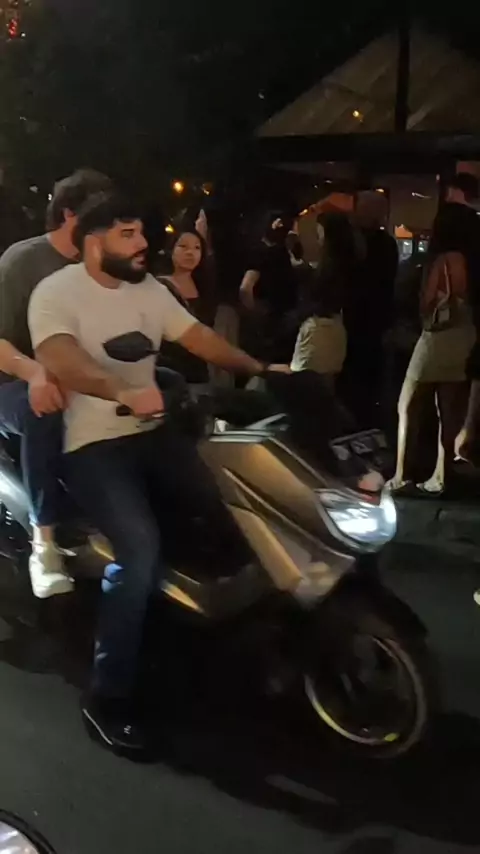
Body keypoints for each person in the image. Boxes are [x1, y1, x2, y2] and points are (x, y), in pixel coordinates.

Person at [28, 192, 289, 756]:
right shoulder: (56, 293)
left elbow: (198, 337)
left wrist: (262, 369)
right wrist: (120, 390)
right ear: (93, 242)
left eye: (142, 232)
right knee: (140, 548)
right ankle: (107, 697)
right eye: (128, 234)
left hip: (154, 434)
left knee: (231, 509)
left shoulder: (148, 290)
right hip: (91, 445)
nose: (144, 243)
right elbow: (62, 358)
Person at [0, 168, 112, 598]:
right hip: (12, 383)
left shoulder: (96, 267)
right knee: (42, 405)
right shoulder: (23, 260)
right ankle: (43, 544)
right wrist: (35, 372)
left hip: (74, 379)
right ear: (69, 214)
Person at [388, 173, 480, 495]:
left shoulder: (445, 258)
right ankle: (441, 475)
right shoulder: (471, 258)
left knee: (408, 403)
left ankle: (402, 474)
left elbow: (429, 302)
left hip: (438, 337)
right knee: (448, 409)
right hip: (465, 335)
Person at [340, 191, 398, 427]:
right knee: (371, 377)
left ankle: (350, 421)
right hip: (376, 321)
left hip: (351, 318)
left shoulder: (349, 242)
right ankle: (367, 423)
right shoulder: (387, 244)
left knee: (350, 376)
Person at [289, 212, 349, 385]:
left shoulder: (330, 267)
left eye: (319, 233)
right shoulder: (347, 263)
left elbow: (321, 300)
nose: (318, 239)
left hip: (318, 331)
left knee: (306, 385)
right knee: (326, 387)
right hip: (335, 328)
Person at [157, 230, 216, 390]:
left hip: (198, 367)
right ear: (171, 250)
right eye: (183, 246)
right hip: (170, 367)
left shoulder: (203, 286)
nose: (190, 252)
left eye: (197, 248)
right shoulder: (161, 286)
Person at [239, 212, 298, 362]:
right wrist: (256, 315)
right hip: (275, 321)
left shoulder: (275, 251)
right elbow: (245, 288)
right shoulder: (264, 253)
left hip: (278, 319)